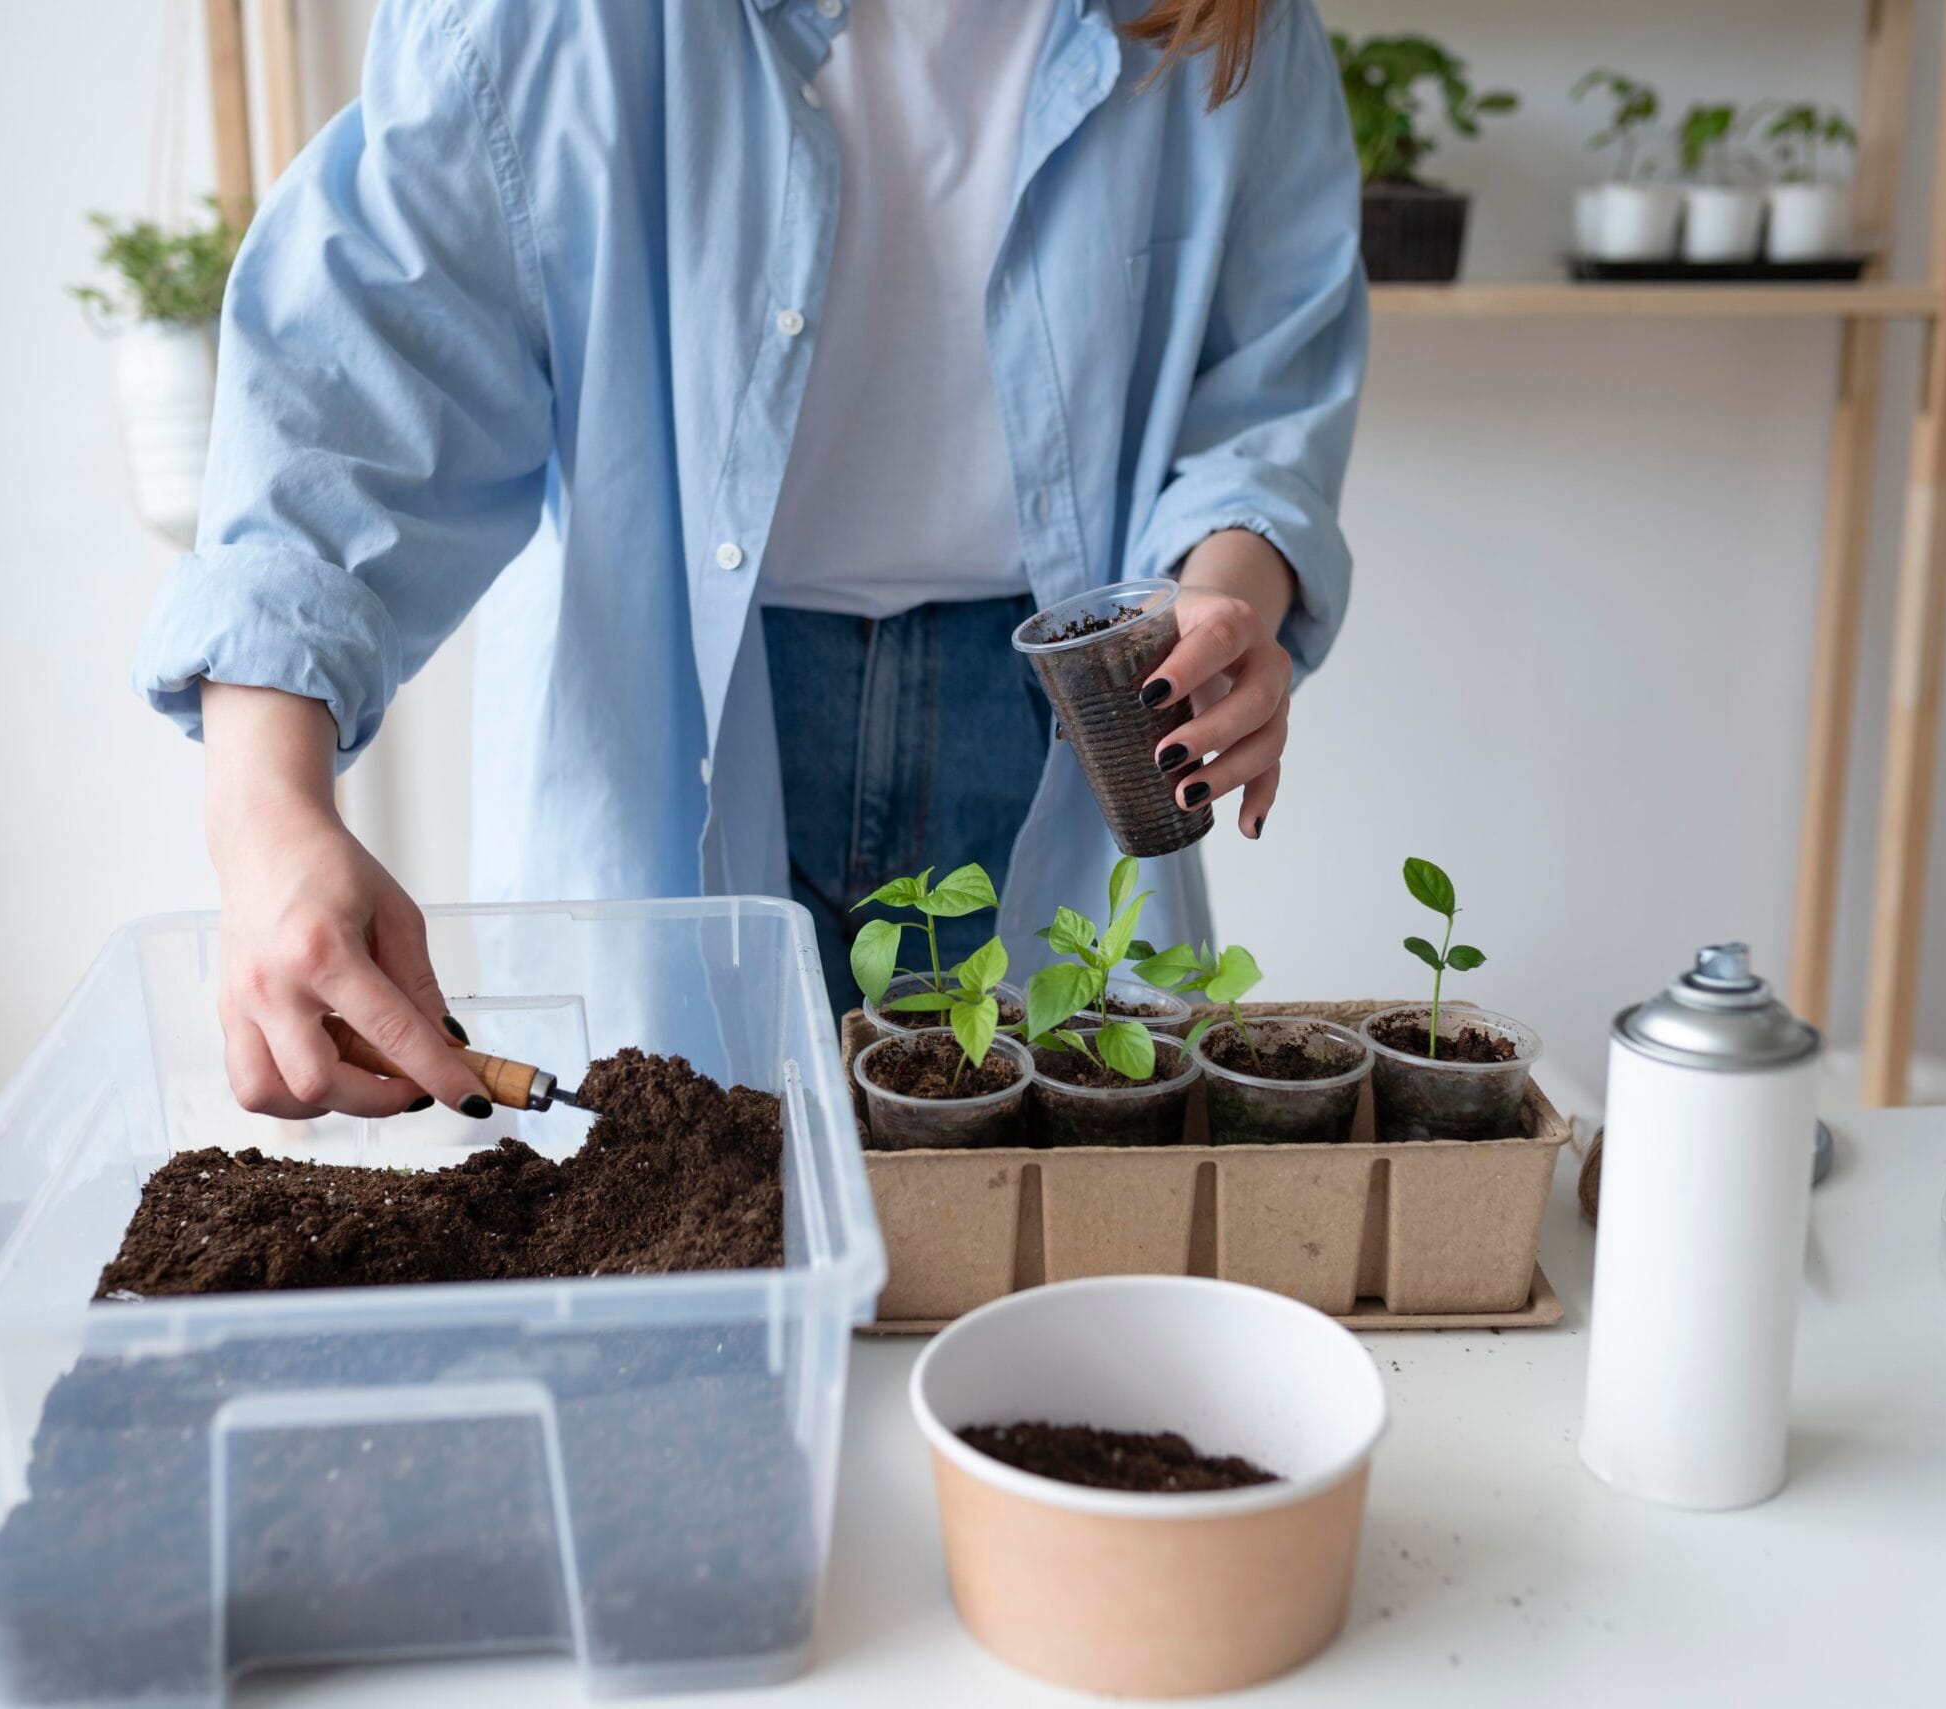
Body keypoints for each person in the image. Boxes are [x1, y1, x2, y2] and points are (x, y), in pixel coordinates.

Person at [135, 0, 1366, 1120]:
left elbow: (1261, 394)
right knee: (678, 1237)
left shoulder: (1226, 29)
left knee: (1057, 1234)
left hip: (1063, 728)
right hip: (673, 727)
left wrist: (1225, 596)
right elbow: (352, 384)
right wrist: (268, 817)